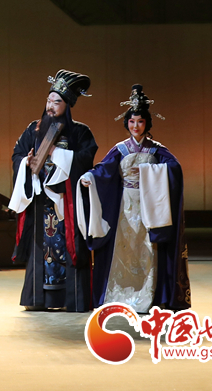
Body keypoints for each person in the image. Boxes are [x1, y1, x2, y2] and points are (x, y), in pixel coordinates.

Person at [77, 84, 190, 312]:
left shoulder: (156, 150)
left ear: (147, 124)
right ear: (126, 123)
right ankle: (119, 295)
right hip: (125, 207)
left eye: (140, 121)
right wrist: (89, 177)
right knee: (124, 250)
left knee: (148, 250)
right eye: (131, 121)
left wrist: (150, 172)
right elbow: (104, 170)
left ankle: (148, 295)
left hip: (150, 207)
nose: (135, 126)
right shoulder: (121, 149)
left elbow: (175, 169)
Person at [8, 70, 97, 312]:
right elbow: (17, 154)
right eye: (48, 100)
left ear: (67, 105)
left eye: (56, 102)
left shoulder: (80, 132)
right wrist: (26, 162)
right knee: (41, 250)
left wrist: (57, 154)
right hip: (40, 202)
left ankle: (72, 299)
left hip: (66, 201)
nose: (50, 106)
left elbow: (86, 159)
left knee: (69, 245)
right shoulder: (34, 129)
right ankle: (38, 300)